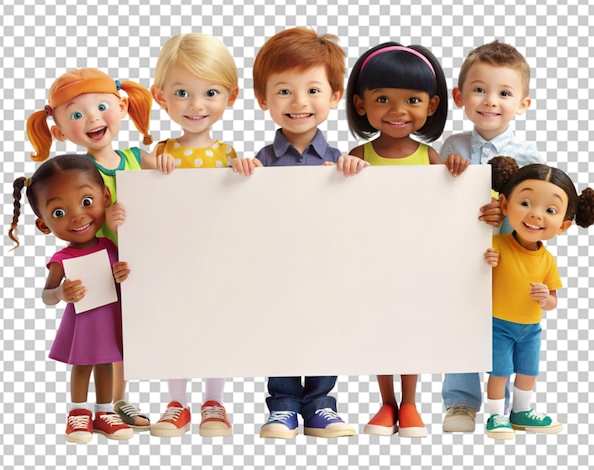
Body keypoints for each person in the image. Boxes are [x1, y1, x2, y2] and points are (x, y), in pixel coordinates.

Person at [26, 68, 172, 430]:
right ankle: (106, 404)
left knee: (129, 337)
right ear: (59, 131)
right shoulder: (75, 173)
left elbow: (175, 183)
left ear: (122, 106)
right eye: (77, 114)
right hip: (100, 264)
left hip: (140, 261)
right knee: (108, 340)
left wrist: (169, 163)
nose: (92, 118)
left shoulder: (137, 157)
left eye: (101, 106)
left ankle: (116, 401)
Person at [233, 27, 362, 439]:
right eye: (284, 91)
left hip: (327, 265)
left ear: (335, 95)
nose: (299, 102)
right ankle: (284, 404)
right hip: (277, 266)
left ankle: (322, 403)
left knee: (324, 326)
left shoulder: (343, 161)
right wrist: (242, 176)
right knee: (281, 327)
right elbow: (242, 215)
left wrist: (356, 178)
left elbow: (365, 217)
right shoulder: (259, 162)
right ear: (263, 99)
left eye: (312, 89)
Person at [345, 42, 471, 438]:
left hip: (417, 264)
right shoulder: (359, 152)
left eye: (411, 100)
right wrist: (345, 167)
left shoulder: (429, 155)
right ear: (361, 104)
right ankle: (387, 403)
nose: (397, 111)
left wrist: (456, 169)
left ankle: (411, 402)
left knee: (411, 332)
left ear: (431, 106)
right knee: (381, 333)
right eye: (383, 99)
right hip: (371, 263)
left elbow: (453, 203)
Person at [439, 41, 545, 433]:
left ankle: (513, 404)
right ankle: (461, 403)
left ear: (523, 103)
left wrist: (507, 210)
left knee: (507, 328)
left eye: (504, 93)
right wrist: (450, 171)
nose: (490, 101)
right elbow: (437, 201)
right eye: (479, 89)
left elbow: (540, 211)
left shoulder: (528, 155)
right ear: (460, 96)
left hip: (510, 261)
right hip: (463, 257)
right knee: (461, 323)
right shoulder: (452, 147)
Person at [147, 32, 240, 438]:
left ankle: (214, 401)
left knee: (216, 325)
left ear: (231, 97)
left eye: (210, 93)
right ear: (161, 96)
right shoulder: (157, 152)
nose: (196, 105)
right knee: (175, 325)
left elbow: (246, 203)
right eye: (182, 92)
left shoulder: (228, 155)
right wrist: (151, 170)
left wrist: (245, 173)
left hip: (218, 257)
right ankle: (177, 403)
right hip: (171, 259)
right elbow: (139, 198)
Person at [8, 154, 135, 443]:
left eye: (86, 202)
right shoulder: (62, 259)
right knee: (83, 365)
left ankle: (104, 412)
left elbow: (126, 278)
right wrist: (61, 292)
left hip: (110, 317)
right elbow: (46, 295)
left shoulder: (112, 245)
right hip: (83, 322)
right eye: (58, 213)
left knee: (106, 363)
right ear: (43, 225)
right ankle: (78, 412)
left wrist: (121, 273)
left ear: (105, 197)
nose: (77, 216)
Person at [483, 156, 594, 439]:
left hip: (531, 329)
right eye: (525, 203)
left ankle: (521, 412)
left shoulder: (547, 260)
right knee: (499, 372)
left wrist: (544, 299)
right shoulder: (495, 244)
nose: (535, 215)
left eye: (550, 210)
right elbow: (472, 274)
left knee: (528, 372)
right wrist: (484, 260)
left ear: (564, 225)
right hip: (498, 325)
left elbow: (552, 301)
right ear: (504, 205)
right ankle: (495, 415)